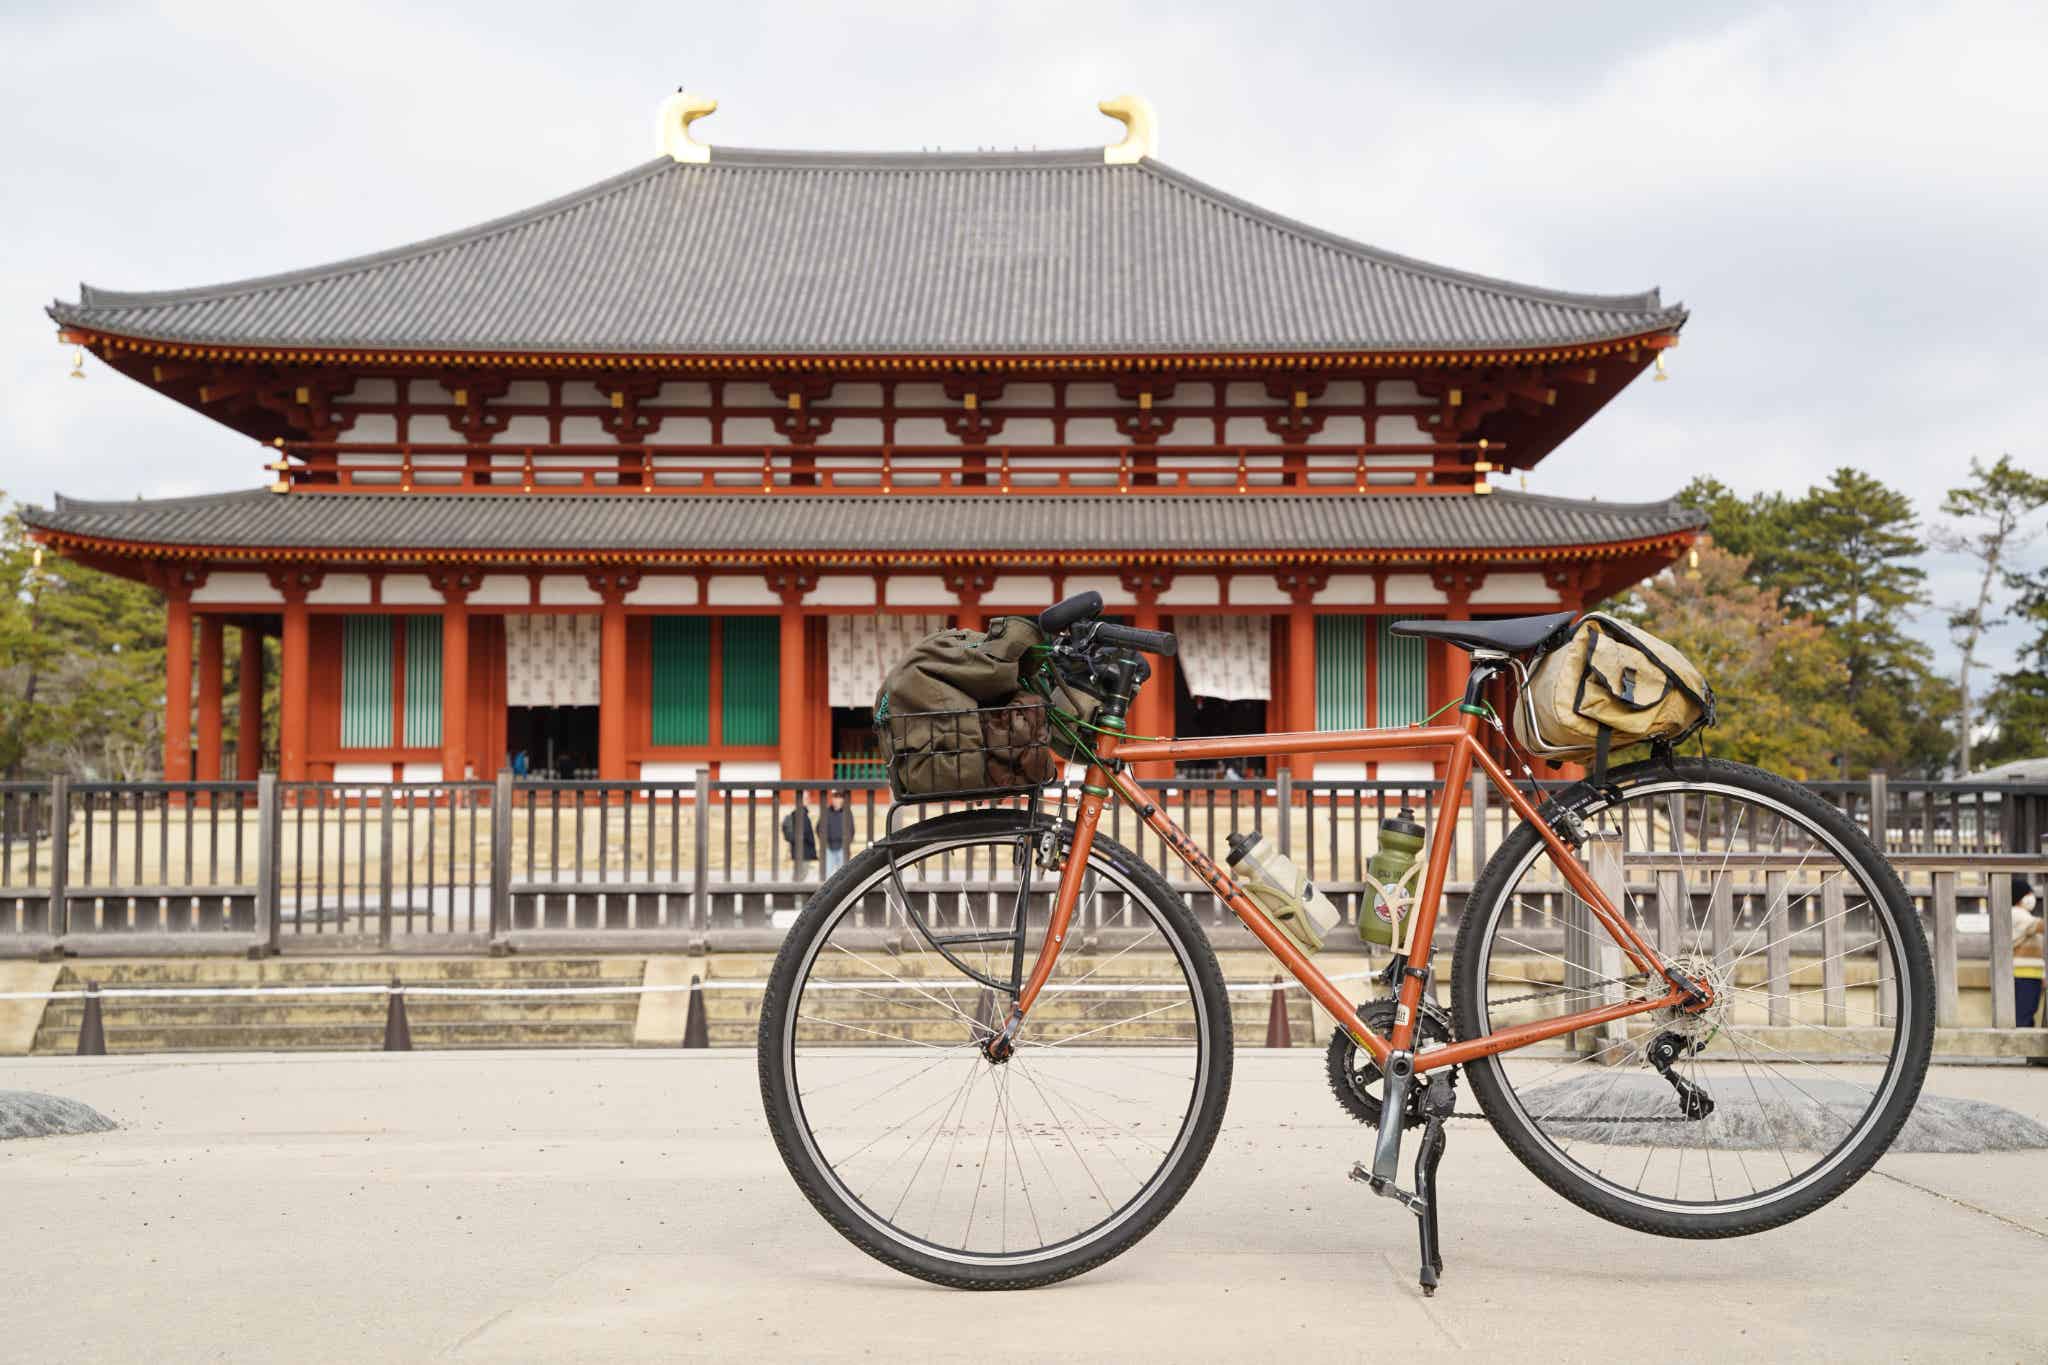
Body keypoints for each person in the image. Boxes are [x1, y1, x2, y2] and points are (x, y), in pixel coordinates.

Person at [2014, 876, 2043, 1029]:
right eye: (2027, 894)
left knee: (2028, 1013)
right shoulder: (2016, 914)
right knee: (2023, 1016)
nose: (2031, 898)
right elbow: (2040, 926)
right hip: (2023, 974)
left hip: (2031, 973)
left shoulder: (2023, 915)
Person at [819, 789, 855, 878]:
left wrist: (847, 843)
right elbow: (819, 828)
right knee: (827, 876)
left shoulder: (847, 812)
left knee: (843, 876)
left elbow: (851, 829)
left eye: (839, 797)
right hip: (829, 848)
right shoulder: (826, 812)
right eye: (835, 797)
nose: (837, 800)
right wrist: (824, 842)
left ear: (842, 799)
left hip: (842, 848)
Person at [781, 800, 817, 882]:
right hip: (804, 850)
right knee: (802, 873)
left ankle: (794, 892)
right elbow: (806, 833)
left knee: (798, 873)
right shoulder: (802, 816)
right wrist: (812, 845)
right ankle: (795, 893)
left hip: (798, 849)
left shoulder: (795, 815)